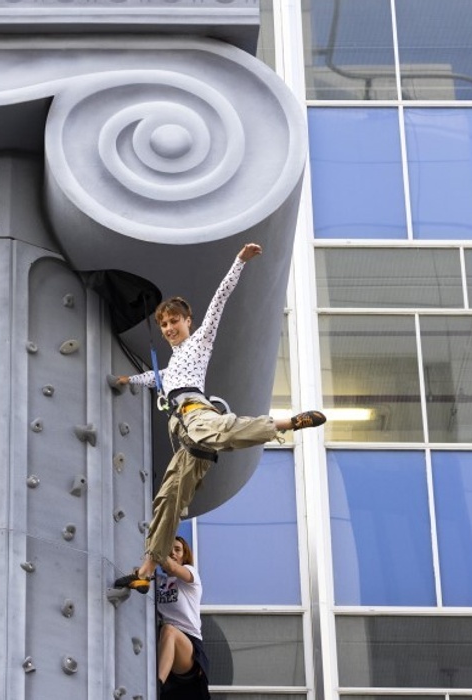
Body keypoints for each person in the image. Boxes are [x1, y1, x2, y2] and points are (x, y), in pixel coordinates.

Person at [113, 243, 326, 590]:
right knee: (167, 500)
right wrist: (125, 380)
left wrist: (239, 262)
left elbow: (218, 302)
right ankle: (145, 571)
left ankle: (286, 423)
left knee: (222, 429)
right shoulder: (167, 369)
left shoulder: (200, 343)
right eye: (164, 324)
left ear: (188, 322)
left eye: (174, 321)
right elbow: (151, 378)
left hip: (198, 416)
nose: (169, 328)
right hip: (187, 442)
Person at [155, 536, 209, 700]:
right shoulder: (157, 583)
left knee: (169, 630)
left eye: (177, 550)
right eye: (169, 549)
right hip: (167, 650)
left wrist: (155, 547)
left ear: (185, 555)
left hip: (190, 647)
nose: (172, 553)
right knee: (166, 632)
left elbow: (171, 567)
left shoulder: (190, 575)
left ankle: (155, 687)